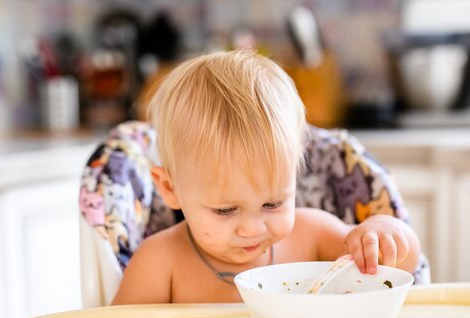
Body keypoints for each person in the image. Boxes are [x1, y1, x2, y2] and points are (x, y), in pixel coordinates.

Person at [111, 49, 422, 304]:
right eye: (225, 210)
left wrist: (386, 232)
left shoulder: (311, 233)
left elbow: (397, 268)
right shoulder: (160, 263)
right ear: (170, 188)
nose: (252, 228)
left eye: (273, 204)